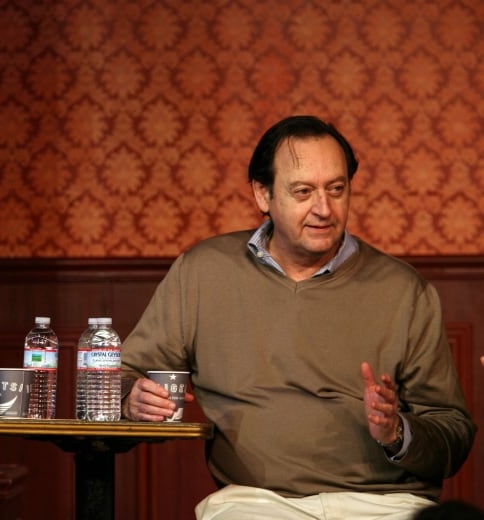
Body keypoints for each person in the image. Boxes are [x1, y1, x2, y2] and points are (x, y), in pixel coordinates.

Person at [120, 115, 476, 519]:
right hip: (257, 503)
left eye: (337, 190)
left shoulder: (404, 289)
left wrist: (397, 433)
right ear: (262, 194)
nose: (324, 209)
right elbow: (122, 376)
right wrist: (132, 400)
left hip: (385, 504)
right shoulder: (203, 272)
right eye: (303, 191)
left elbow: (453, 433)